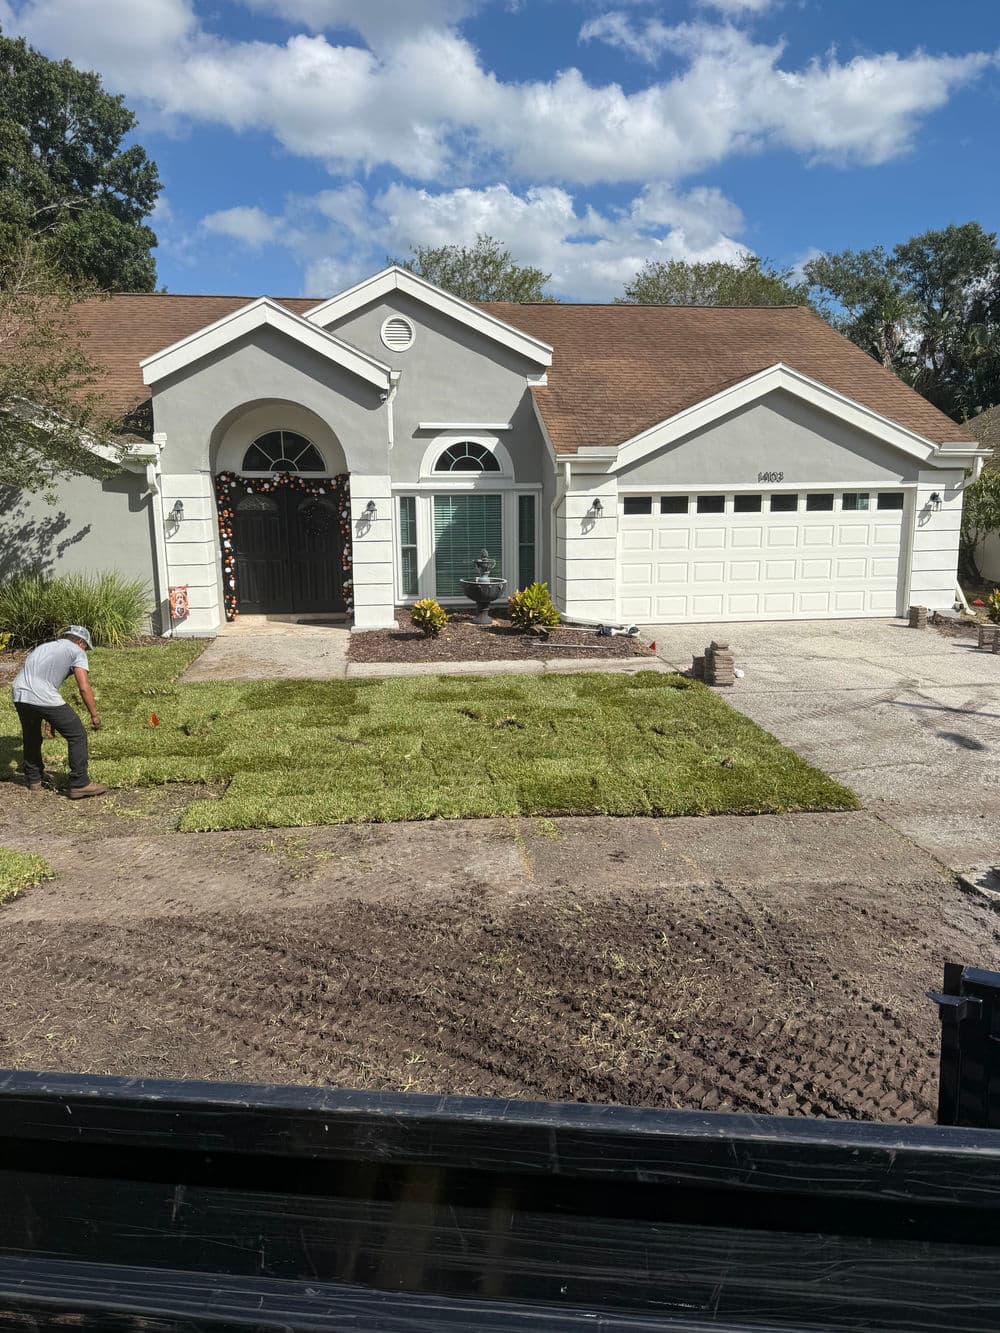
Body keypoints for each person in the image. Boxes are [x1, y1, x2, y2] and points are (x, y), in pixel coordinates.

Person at [11, 625, 108, 799]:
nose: (85, 649)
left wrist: (49, 719)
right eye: (85, 646)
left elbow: (43, 679)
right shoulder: (77, 652)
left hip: (20, 693)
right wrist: (94, 715)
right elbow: (84, 687)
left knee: (31, 736)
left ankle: (34, 779)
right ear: (80, 642)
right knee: (77, 735)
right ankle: (80, 783)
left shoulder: (44, 647)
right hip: (41, 695)